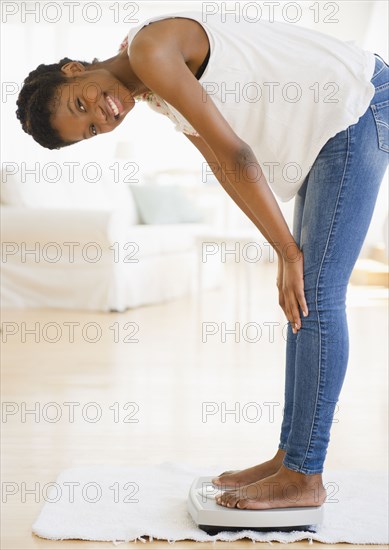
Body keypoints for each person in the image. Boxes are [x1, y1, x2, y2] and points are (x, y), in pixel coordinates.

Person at [16, 11, 389, 510]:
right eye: (88, 128)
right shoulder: (152, 93)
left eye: (81, 102)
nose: (100, 117)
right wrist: (284, 253)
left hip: (354, 104)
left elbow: (237, 154)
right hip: (334, 121)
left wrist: (287, 252)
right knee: (303, 298)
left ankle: (306, 475)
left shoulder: (149, 51)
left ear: (72, 67)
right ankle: (290, 456)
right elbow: (223, 165)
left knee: (316, 296)